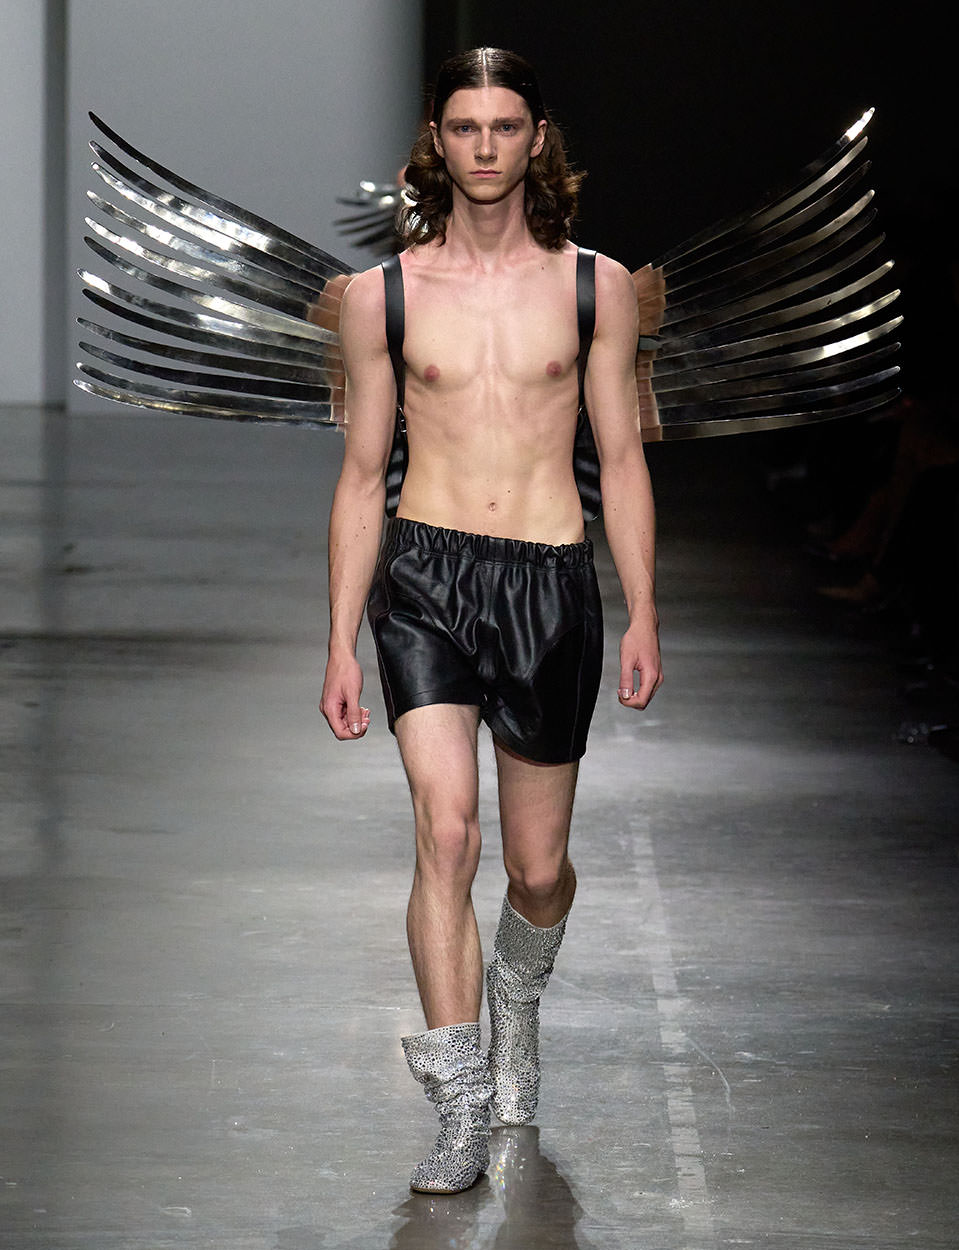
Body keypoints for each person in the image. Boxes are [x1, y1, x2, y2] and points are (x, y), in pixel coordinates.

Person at [319, 46, 662, 1194]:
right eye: (463, 127)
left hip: (549, 581)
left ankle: (516, 990)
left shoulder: (594, 287)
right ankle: (460, 1102)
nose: (483, 147)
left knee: (536, 867)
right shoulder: (383, 296)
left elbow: (621, 455)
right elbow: (360, 474)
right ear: (436, 139)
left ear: (536, 139)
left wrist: (642, 610)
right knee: (446, 833)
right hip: (424, 576)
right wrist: (339, 637)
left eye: (503, 126)